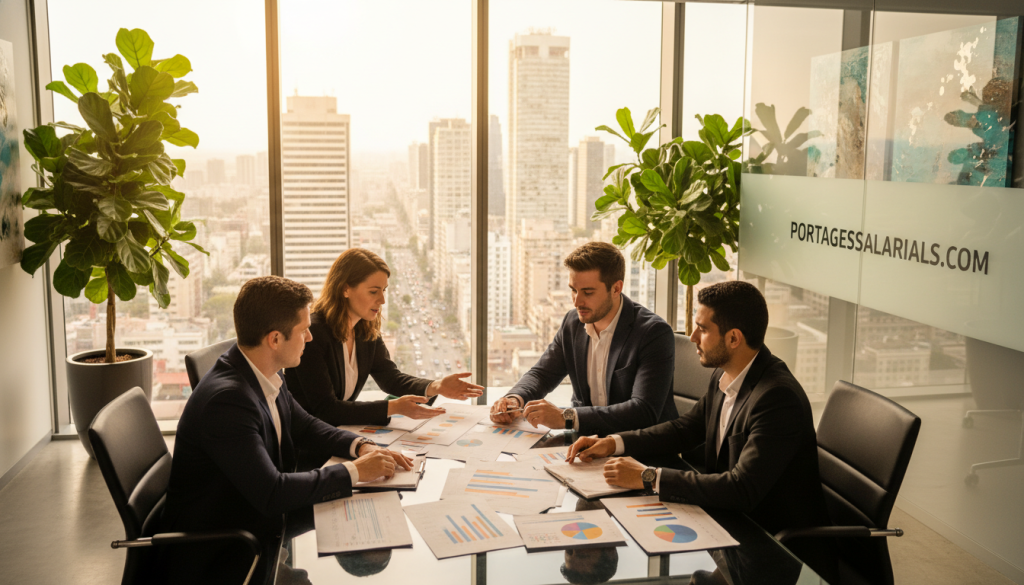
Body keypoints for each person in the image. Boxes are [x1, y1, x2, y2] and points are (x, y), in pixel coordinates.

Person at [565, 280, 834, 579]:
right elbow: (685, 429)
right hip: (727, 529)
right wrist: (613, 442)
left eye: (702, 329)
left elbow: (741, 489)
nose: (692, 337)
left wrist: (648, 477)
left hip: (774, 552)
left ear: (733, 338)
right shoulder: (727, 374)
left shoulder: (776, 399)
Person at [161, 276, 413, 584]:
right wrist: (355, 472)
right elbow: (272, 493)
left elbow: (305, 424)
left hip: (255, 516)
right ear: (275, 339)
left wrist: (360, 446)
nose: (310, 337)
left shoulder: (261, 372)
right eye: (303, 329)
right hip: (227, 545)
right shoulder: (227, 402)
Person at [490, 241, 677, 436]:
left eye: (588, 292)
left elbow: (643, 411)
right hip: (585, 444)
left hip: (639, 451)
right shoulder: (573, 323)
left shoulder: (653, 333)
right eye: (573, 290)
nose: (577, 301)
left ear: (616, 288)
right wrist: (514, 399)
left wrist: (567, 417)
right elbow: (542, 375)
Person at [286, 248, 483, 428]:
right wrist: (392, 408)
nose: (382, 300)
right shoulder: (313, 335)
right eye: (373, 291)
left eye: (384, 290)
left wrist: (436, 386)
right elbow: (326, 410)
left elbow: (390, 378)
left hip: (340, 431)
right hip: (308, 443)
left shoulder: (365, 330)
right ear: (345, 289)